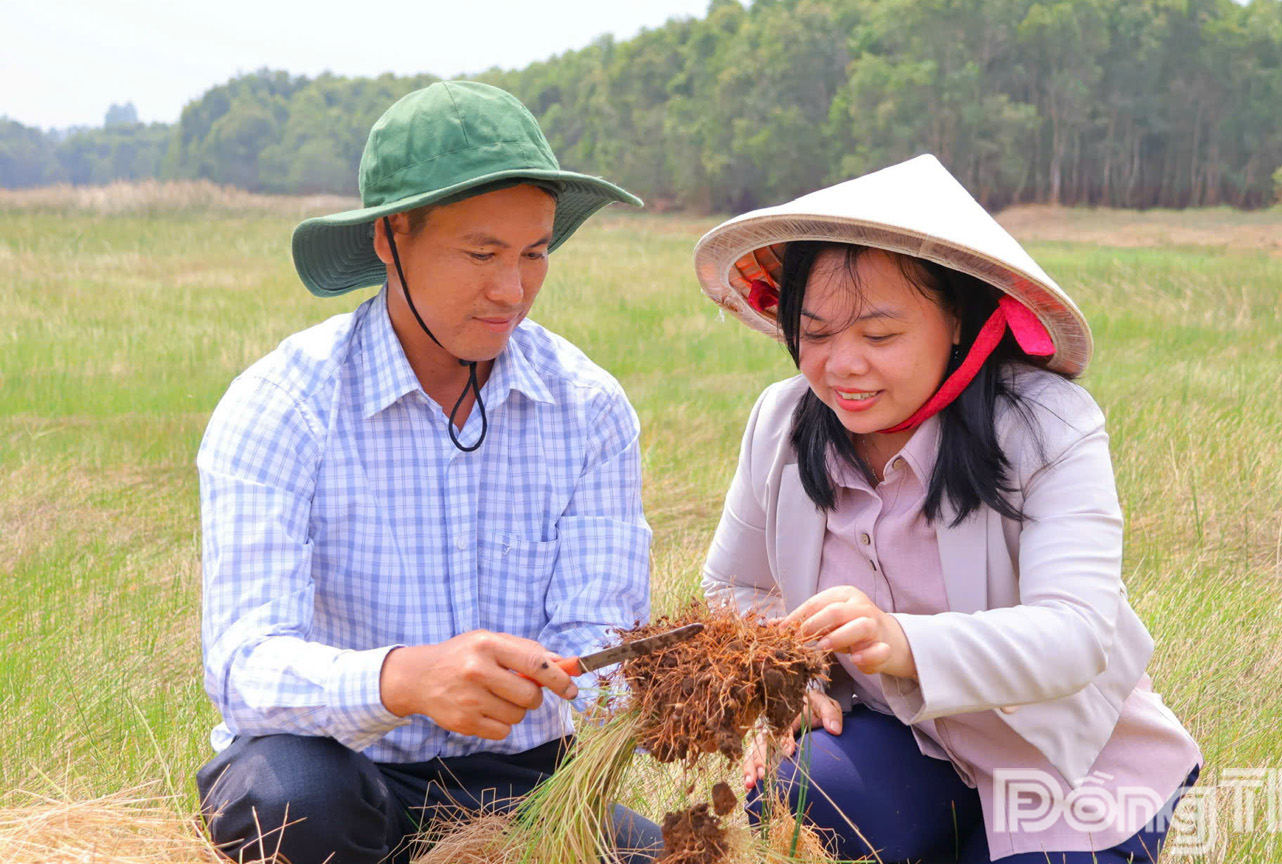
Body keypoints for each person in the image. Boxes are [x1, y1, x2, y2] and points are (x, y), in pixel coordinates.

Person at [195, 81, 661, 864]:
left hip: (523, 785)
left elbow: (603, 640)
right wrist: (403, 680)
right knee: (291, 805)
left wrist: (650, 677)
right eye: (481, 253)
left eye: (535, 252)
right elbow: (245, 666)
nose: (512, 291)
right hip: (338, 771)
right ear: (390, 239)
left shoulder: (586, 407)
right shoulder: (284, 405)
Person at [694, 155, 1202, 863]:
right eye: (814, 334)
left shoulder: (1047, 426)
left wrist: (902, 642)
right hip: (905, 743)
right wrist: (787, 677)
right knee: (794, 799)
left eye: (879, 336)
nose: (841, 366)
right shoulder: (781, 423)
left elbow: (1077, 634)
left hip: (1066, 765)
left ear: (957, 318)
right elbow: (733, 589)